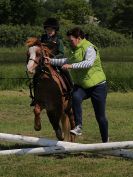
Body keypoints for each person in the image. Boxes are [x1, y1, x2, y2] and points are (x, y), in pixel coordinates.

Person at [45, 27, 108, 143]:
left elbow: (88, 63)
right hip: (82, 85)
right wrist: (51, 61)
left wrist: (71, 66)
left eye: (71, 40)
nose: (70, 42)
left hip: (98, 86)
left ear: (78, 38)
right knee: (75, 96)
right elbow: (68, 60)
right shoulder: (75, 49)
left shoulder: (89, 48)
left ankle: (105, 141)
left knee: (100, 117)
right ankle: (78, 126)